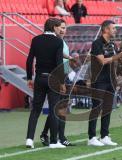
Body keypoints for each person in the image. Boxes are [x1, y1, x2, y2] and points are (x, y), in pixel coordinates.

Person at [88, 20, 122, 146]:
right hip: (99, 80)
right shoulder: (97, 43)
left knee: (107, 108)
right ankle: (91, 138)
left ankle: (104, 136)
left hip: (110, 80)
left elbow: (115, 60)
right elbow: (102, 61)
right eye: (113, 28)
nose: (115, 30)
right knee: (96, 108)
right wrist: (119, 55)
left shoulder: (112, 44)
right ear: (106, 29)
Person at [26, 18, 66, 149]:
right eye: (58, 27)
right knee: (54, 110)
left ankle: (29, 139)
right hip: (53, 79)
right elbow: (59, 63)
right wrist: (62, 82)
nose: (60, 29)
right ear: (54, 27)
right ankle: (54, 142)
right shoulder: (58, 41)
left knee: (35, 110)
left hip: (39, 78)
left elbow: (29, 60)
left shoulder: (35, 40)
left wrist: (29, 78)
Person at [40, 19, 74, 147]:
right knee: (58, 109)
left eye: (65, 28)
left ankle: (56, 136)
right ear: (54, 28)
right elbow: (59, 58)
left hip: (64, 76)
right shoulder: (54, 42)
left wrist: (70, 73)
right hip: (56, 77)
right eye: (61, 27)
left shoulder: (62, 42)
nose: (63, 30)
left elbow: (64, 61)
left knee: (62, 108)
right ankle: (56, 136)